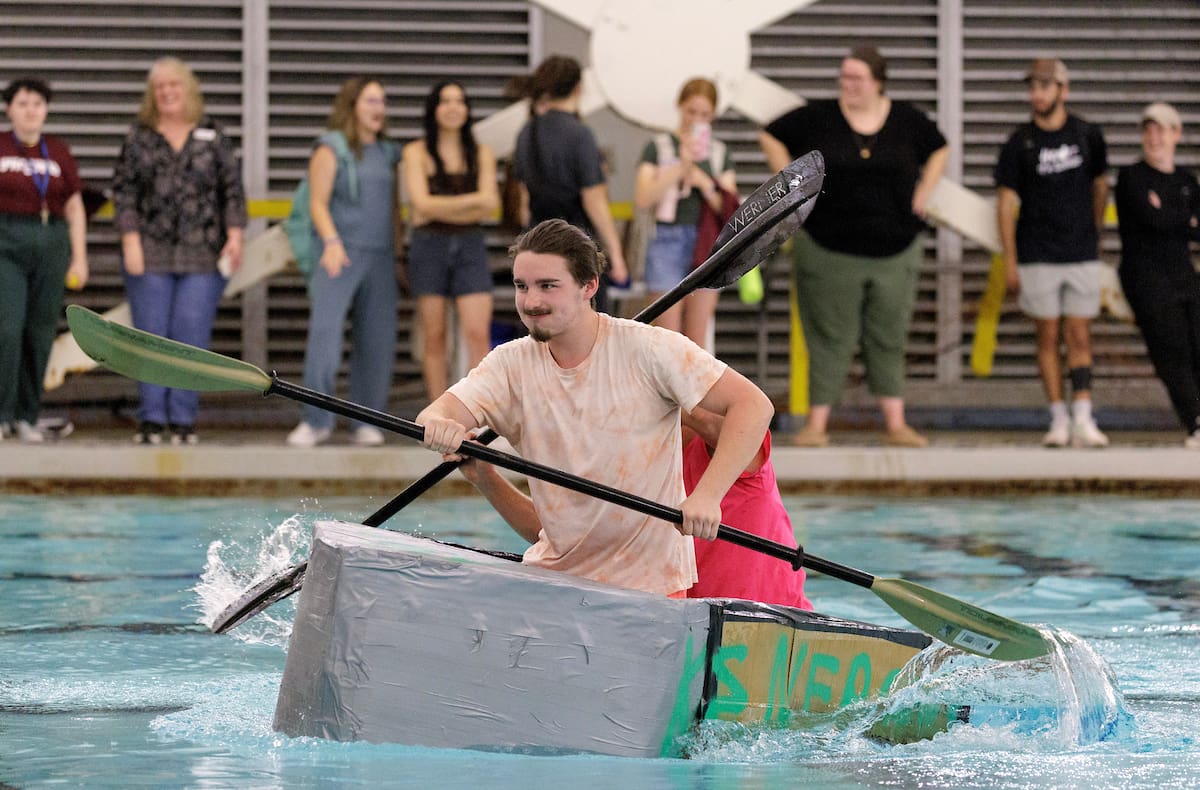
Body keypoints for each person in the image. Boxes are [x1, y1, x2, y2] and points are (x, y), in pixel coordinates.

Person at [418, 219, 773, 597]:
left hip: (650, 588)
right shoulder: (508, 364)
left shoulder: (650, 348)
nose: (531, 302)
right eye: (522, 286)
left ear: (589, 286)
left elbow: (754, 405)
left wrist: (707, 496)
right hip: (554, 584)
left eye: (548, 286)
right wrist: (442, 427)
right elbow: (433, 415)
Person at [759, 45, 947, 449]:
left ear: (878, 81)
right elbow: (770, 134)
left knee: (889, 335)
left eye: (857, 78)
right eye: (844, 76)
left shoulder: (907, 120)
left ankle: (896, 424)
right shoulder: (819, 117)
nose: (848, 85)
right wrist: (791, 186)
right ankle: (817, 425)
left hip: (896, 247)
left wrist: (925, 192)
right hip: (828, 246)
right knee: (828, 336)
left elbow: (940, 147)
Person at [112, 57, 245, 446]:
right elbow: (124, 192)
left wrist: (235, 235)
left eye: (174, 85)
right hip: (149, 252)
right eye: (160, 87)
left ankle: (183, 419)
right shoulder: (138, 137)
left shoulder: (213, 135)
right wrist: (130, 240)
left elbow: (231, 189)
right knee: (150, 336)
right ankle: (152, 419)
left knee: (191, 335)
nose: (167, 92)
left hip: (203, 254)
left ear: (189, 89)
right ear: (151, 95)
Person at [995, 58, 1109, 449]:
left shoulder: (1087, 134)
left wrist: (1093, 235)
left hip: (1080, 252)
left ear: (1063, 90)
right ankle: (1058, 417)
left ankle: (1084, 416)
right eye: (1032, 87)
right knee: (1046, 335)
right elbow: (1005, 203)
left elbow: (1100, 187)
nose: (1036, 95)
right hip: (1037, 254)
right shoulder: (1019, 142)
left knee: (1079, 333)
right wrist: (1011, 259)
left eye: (1044, 86)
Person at [286, 76, 401, 448]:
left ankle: (365, 420)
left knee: (377, 340)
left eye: (382, 101)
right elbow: (317, 203)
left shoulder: (389, 153)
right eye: (371, 100)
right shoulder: (330, 147)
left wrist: (398, 252)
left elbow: (394, 209)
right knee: (325, 337)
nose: (379, 108)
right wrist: (332, 242)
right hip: (340, 252)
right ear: (352, 105)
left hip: (381, 255)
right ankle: (315, 419)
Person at [0, 77, 88, 443]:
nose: (30, 110)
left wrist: (79, 258)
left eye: (37, 104)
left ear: (46, 110)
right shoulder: (1, 146)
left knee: (39, 332)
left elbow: (74, 206)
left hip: (51, 243)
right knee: (7, 328)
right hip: (7, 243)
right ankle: (2, 415)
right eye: (22, 103)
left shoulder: (59, 151)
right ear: (9, 109)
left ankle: (26, 415)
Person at [402, 81, 499, 402]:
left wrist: (437, 208)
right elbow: (420, 205)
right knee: (434, 336)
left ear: (468, 109)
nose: (453, 107)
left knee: (477, 332)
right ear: (434, 109)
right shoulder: (415, 152)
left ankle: (475, 409)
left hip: (470, 244)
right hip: (429, 246)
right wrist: (471, 204)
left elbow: (490, 203)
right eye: (445, 101)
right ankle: (438, 410)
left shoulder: (481, 153)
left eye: (459, 101)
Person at [509, 55, 629, 314]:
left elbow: (523, 203)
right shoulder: (579, 134)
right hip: (576, 243)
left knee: (542, 321)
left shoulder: (526, 132)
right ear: (579, 88)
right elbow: (594, 200)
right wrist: (616, 254)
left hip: (536, 242)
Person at [1115, 102, 1200, 449]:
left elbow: (1191, 227)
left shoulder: (1186, 181)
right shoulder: (1132, 177)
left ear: (1176, 135)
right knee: (1171, 348)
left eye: (1161, 130)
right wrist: (1182, 218)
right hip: (1145, 276)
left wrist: (1170, 214)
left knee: (1196, 343)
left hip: (1182, 273)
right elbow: (1155, 221)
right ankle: (1194, 421)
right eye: (1148, 130)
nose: (1154, 138)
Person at [634, 77, 738, 346]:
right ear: (680, 106)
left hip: (707, 244)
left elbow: (728, 208)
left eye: (704, 115)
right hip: (666, 239)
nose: (696, 120)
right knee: (667, 340)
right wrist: (681, 166)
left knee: (696, 340)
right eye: (691, 111)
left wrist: (704, 183)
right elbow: (643, 197)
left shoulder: (718, 153)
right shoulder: (659, 146)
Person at [681, 407, 812, 608]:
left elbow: (750, 420)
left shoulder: (742, 442)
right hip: (695, 613)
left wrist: (673, 401)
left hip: (775, 615)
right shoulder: (653, 458)